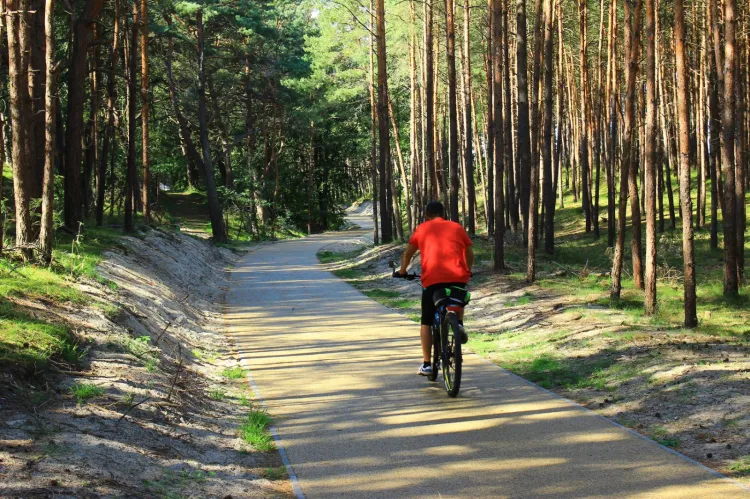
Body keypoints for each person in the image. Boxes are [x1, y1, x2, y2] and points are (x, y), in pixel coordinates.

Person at [396, 201, 474, 376]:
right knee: (457, 297)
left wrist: (402, 271)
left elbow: (408, 253)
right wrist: (467, 271)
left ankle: (427, 364)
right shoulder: (456, 227)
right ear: (443, 213)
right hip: (458, 276)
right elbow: (469, 253)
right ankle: (458, 324)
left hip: (433, 280)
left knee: (426, 321)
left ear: (426, 215)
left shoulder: (422, 228)